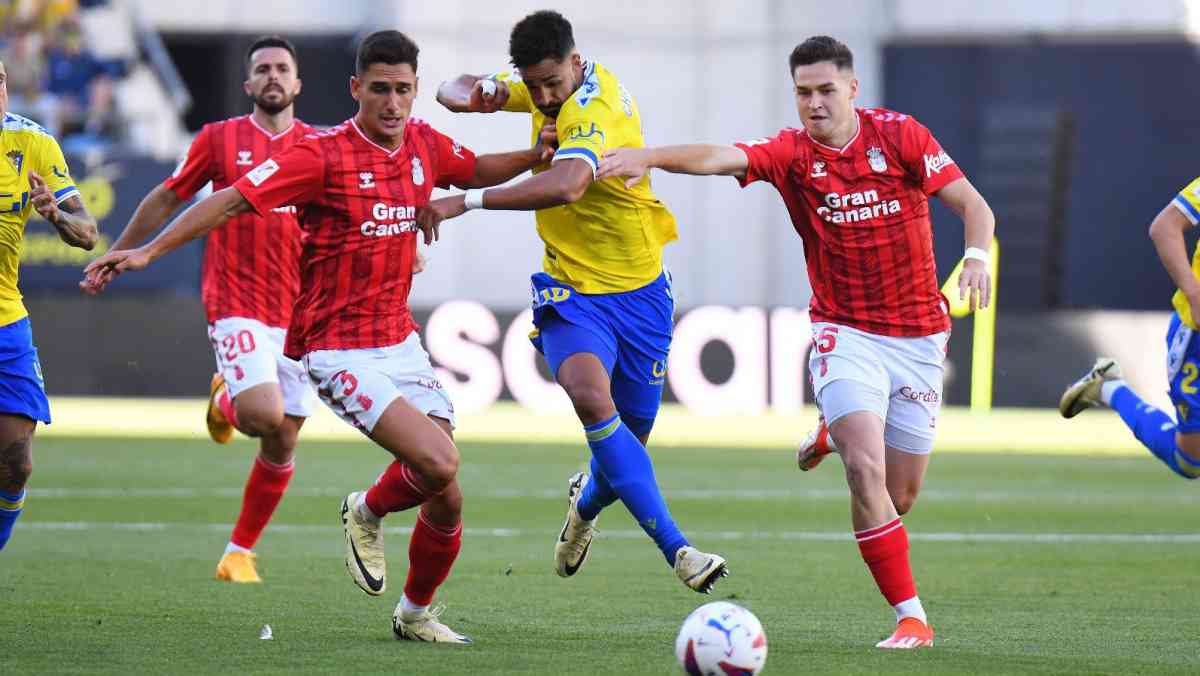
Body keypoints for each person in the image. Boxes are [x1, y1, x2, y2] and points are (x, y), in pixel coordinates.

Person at [83, 29, 550, 643]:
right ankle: (365, 509)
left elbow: (478, 167)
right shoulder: (320, 156)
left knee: (447, 496)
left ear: (415, 91)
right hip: (337, 349)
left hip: (400, 341)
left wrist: (538, 153)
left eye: (403, 90)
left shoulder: (422, 144)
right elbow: (228, 201)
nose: (392, 103)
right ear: (355, 88)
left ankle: (414, 615)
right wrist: (145, 250)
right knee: (438, 461)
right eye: (379, 89)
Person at [596, 36, 995, 648]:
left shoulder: (901, 136)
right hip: (844, 331)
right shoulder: (790, 154)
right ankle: (911, 616)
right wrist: (650, 155)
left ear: (852, 90)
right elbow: (720, 156)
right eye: (804, 92)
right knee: (866, 474)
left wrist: (975, 256)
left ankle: (833, 431)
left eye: (826, 90)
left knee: (899, 495)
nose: (814, 103)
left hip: (918, 336)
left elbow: (974, 204)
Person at [431, 9, 728, 594]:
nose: (543, 96)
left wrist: (463, 202)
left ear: (576, 61)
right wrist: (482, 93)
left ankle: (585, 505)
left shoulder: (595, 106)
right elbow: (449, 89)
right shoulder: (544, 86)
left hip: (639, 290)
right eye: (533, 83)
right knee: (593, 401)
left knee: (628, 440)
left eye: (552, 84)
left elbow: (568, 184)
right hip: (569, 289)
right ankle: (680, 551)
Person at [90, 36, 316, 584]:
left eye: (281, 68)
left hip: (301, 312)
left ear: (297, 82)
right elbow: (170, 196)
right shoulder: (219, 139)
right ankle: (226, 396)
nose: (272, 76)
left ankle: (239, 552)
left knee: (284, 436)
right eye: (261, 68)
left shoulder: (320, 145)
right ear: (247, 85)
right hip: (235, 299)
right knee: (262, 416)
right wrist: (123, 248)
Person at [0, 58, 99, 551]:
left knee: (17, 463)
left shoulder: (32, 143)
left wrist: (56, 213)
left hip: (5, 321)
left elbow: (87, 234)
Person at [1060, 177, 1200, 480]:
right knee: (1190, 461)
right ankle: (1110, 388)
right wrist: (1195, 295)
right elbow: (1164, 228)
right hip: (1196, 334)